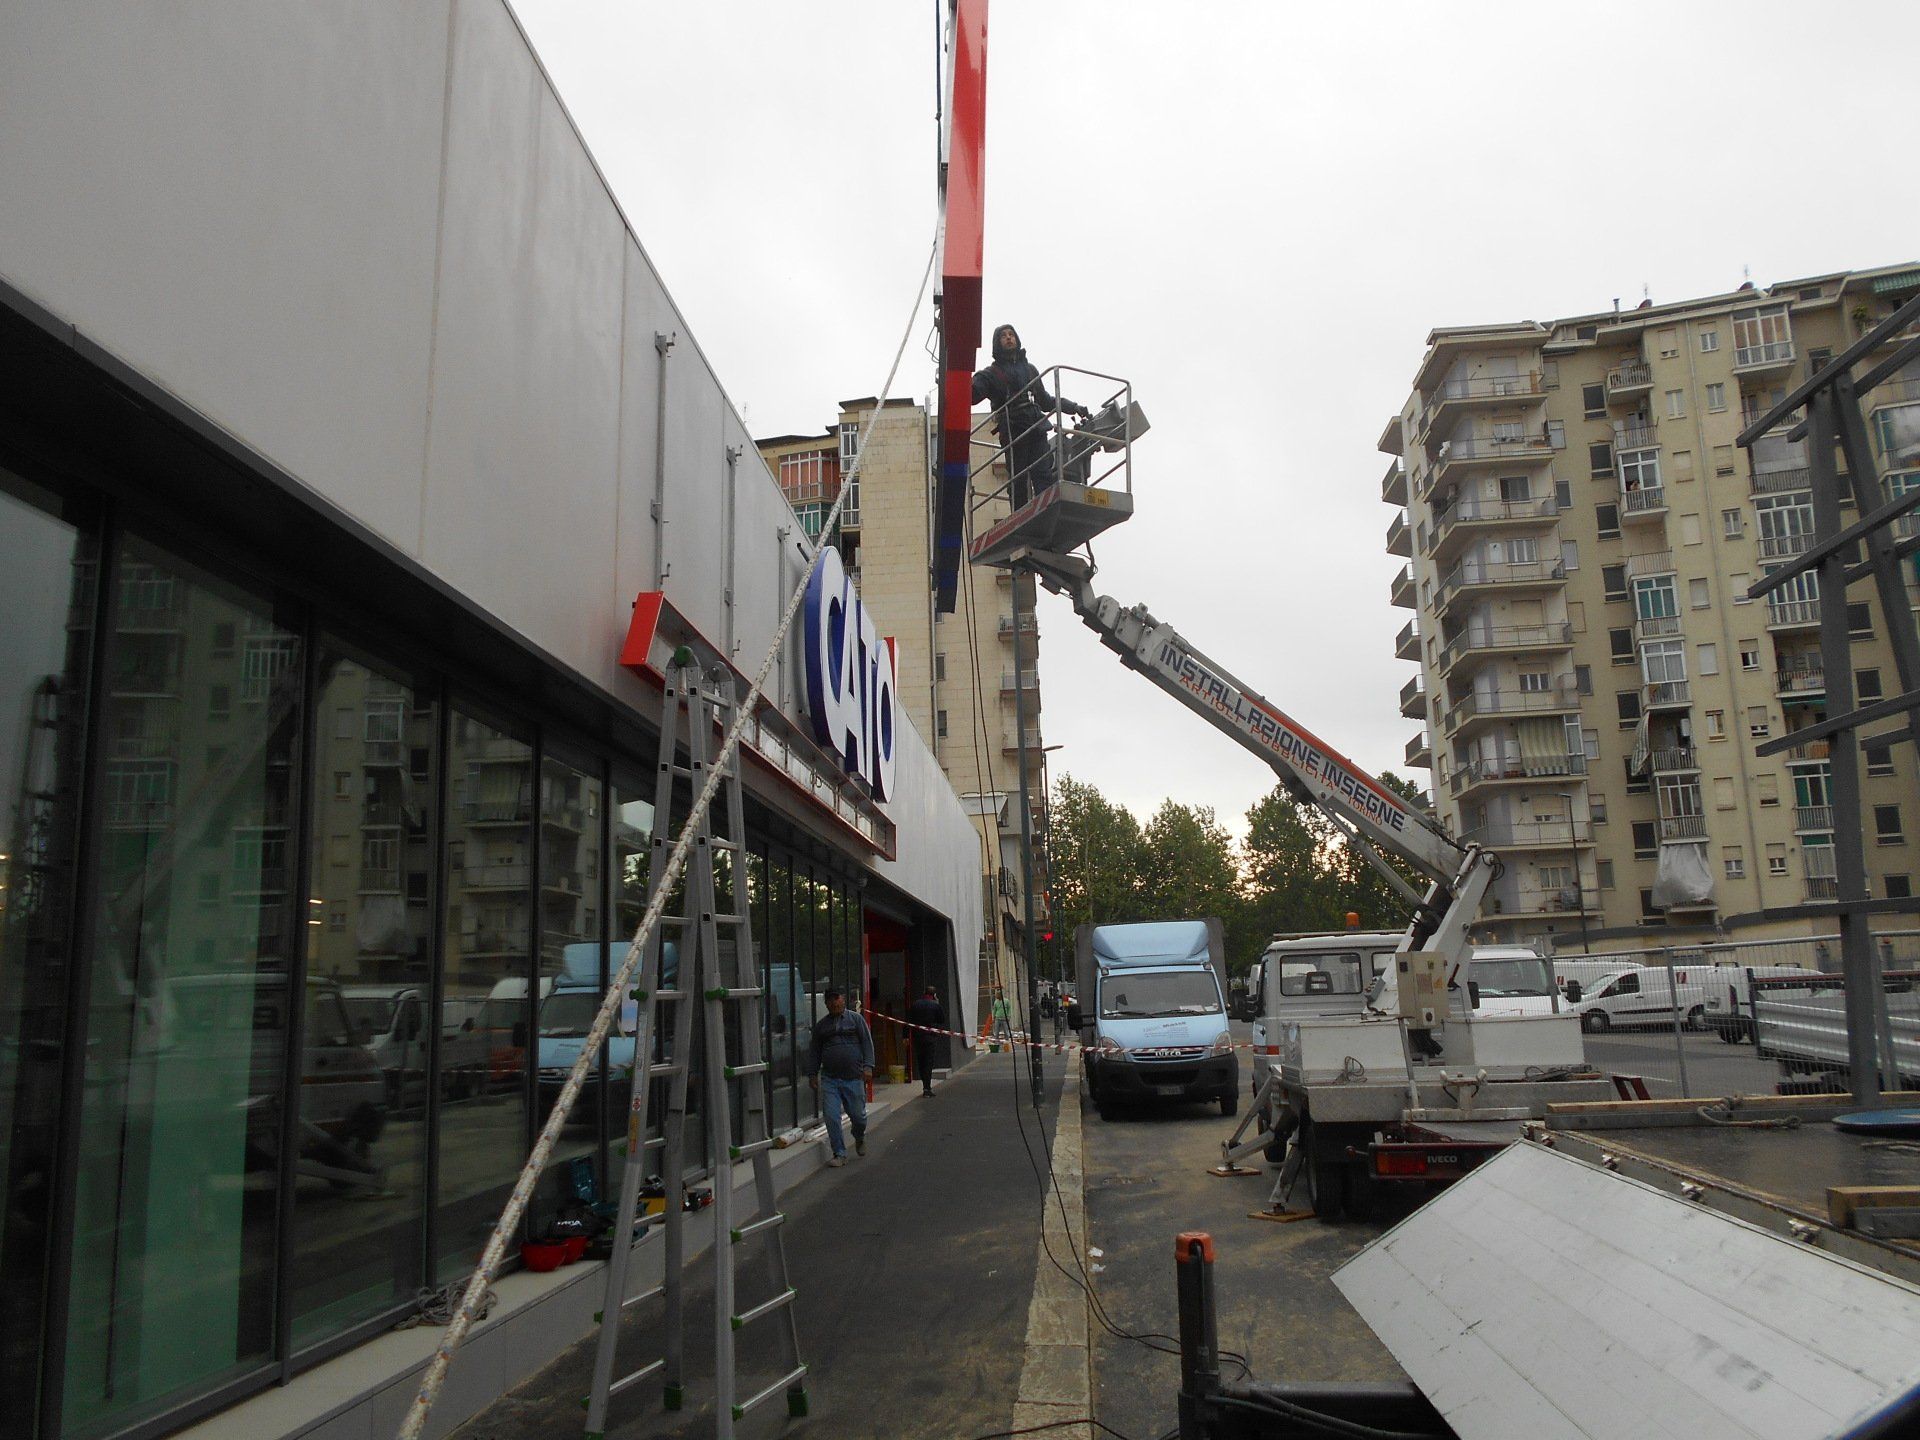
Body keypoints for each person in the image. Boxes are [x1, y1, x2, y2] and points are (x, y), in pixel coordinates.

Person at [972, 323, 1088, 507]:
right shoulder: (991, 374)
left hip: (1035, 427)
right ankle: (1019, 514)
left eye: (1012, 334)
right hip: (1014, 431)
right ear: (997, 343)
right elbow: (973, 394)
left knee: (1043, 474)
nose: (1009, 337)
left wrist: (1073, 407)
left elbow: (1046, 401)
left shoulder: (1030, 370)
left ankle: (1047, 509)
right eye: (1004, 336)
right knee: (1018, 479)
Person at [805, 988, 874, 1167]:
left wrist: (868, 1067)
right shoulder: (822, 1027)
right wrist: (812, 1073)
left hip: (854, 1077)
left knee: (858, 1117)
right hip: (830, 1079)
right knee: (831, 1116)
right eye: (831, 1003)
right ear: (826, 1004)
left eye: (838, 1001)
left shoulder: (856, 1020)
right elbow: (814, 1052)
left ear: (843, 1000)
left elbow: (867, 1043)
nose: (835, 1005)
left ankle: (859, 1136)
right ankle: (840, 1153)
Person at [905, 985, 948, 1098]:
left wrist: (905, 1036)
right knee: (929, 1062)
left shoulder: (915, 1005)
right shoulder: (935, 1005)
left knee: (921, 1062)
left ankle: (924, 1084)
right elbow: (942, 1019)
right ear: (934, 995)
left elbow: (907, 1021)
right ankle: (927, 1088)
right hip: (930, 1038)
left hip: (917, 1037)